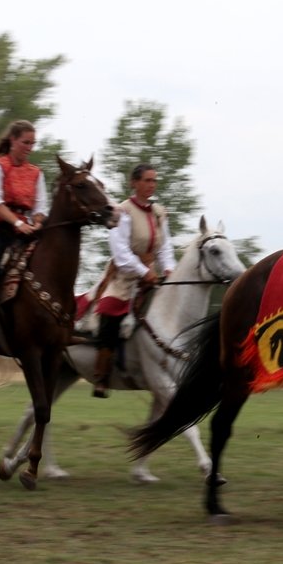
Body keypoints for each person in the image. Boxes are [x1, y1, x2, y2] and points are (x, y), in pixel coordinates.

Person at [89, 163, 174, 398]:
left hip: (152, 277)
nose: (151, 185)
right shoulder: (122, 212)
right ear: (134, 183)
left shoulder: (159, 212)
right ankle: (101, 376)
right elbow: (121, 253)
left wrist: (168, 269)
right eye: (147, 180)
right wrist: (143, 271)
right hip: (123, 279)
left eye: (154, 180)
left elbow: (165, 246)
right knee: (109, 314)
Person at [0, 120, 48, 347]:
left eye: (32, 143)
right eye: (25, 142)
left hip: (27, 227)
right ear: (12, 140)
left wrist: (38, 223)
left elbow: (40, 206)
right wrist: (17, 222)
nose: (29, 147)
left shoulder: (36, 173)